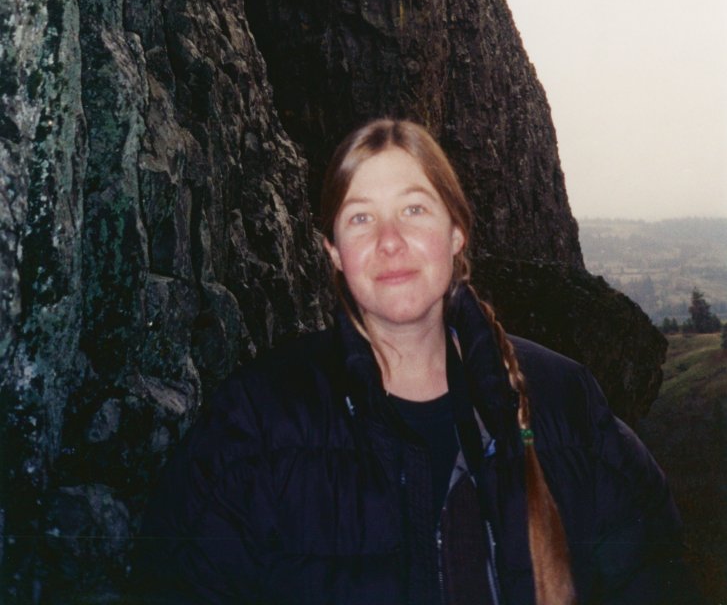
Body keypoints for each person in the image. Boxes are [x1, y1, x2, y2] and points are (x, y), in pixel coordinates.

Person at [138, 118, 693, 604]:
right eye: (360, 219)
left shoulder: (565, 401)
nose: (390, 240)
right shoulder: (256, 420)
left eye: (414, 209)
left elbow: (656, 579)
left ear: (456, 232)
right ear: (333, 250)